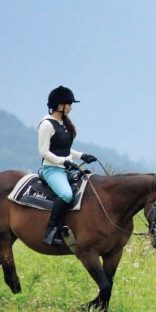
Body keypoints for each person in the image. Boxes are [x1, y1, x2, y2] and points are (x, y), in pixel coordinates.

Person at [38, 86, 97, 245]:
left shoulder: (64, 123)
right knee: (66, 195)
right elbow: (43, 151)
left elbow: (62, 148)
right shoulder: (46, 124)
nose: (70, 107)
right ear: (59, 105)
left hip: (66, 167)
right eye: (68, 104)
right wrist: (63, 161)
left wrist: (81, 155)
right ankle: (51, 230)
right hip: (52, 169)